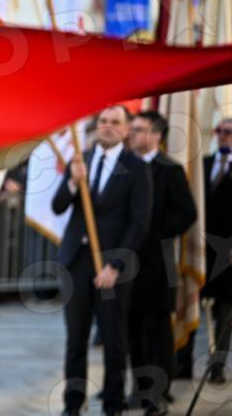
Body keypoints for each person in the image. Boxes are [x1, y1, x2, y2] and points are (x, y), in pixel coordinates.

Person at [53, 105, 152, 416]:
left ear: (126, 129)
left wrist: (115, 266)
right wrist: (72, 181)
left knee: (113, 339)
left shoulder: (136, 168)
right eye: (103, 121)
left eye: (115, 122)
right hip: (77, 261)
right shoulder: (80, 160)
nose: (107, 126)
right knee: (75, 339)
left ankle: (112, 405)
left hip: (111, 266)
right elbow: (58, 206)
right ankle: (72, 404)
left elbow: (139, 223)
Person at [127, 111, 196, 415]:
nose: (132, 134)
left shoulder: (170, 169)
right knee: (132, 327)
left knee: (158, 329)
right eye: (132, 129)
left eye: (139, 129)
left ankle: (159, 392)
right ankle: (139, 389)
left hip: (157, 261)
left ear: (157, 135)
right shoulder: (125, 166)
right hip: (127, 261)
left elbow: (187, 212)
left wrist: (155, 234)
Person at [178, 118, 232, 383]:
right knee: (191, 303)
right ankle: (182, 363)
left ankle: (217, 366)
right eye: (219, 131)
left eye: (228, 132)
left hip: (228, 254)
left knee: (225, 312)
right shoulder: (203, 165)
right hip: (200, 249)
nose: (223, 136)